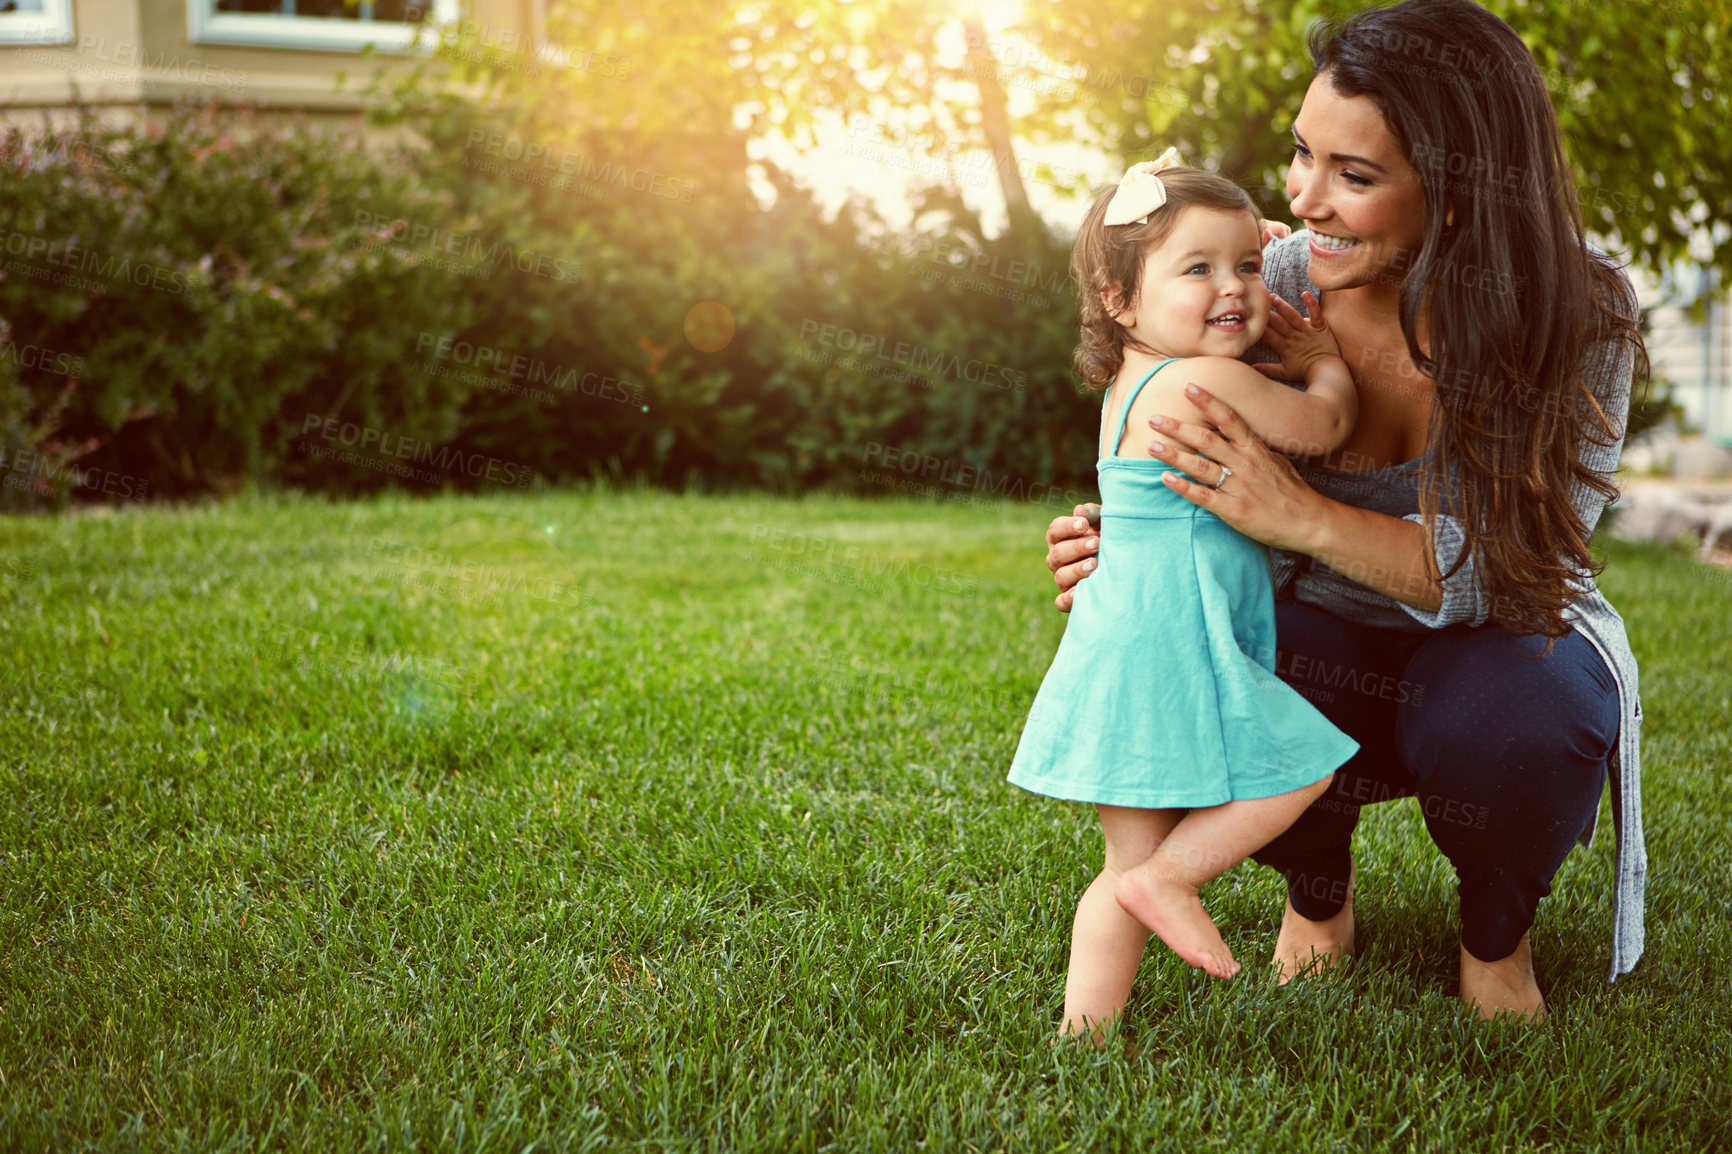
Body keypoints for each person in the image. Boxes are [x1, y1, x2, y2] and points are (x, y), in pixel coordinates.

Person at [1044, 0, 1647, 1023]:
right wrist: (1126, 552)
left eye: (1352, 176)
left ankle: (1494, 939)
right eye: (1300, 156)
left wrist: (1304, 515)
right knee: (1211, 654)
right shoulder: (1267, 283)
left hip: (1500, 636)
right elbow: (1169, 436)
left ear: (1453, 197)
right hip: (1321, 631)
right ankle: (1317, 896)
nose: (1302, 197)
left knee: (1521, 718)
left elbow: (1524, 567)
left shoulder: (1574, 311)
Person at [1008, 149, 1362, 1040]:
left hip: (1120, 646)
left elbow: (1213, 301)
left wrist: (1241, 258)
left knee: (1120, 864)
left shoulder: (1140, 375)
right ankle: (1176, 878)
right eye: (1196, 270)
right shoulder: (1203, 379)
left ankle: (1084, 1037)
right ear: (1122, 300)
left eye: (1247, 265)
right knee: (1305, 766)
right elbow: (1322, 425)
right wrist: (1325, 361)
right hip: (1174, 646)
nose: (1233, 287)